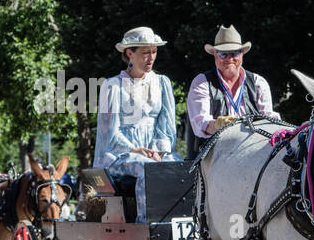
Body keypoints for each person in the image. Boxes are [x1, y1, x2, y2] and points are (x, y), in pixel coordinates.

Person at [94, 27, 183, 222]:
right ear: (129, 53)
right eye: (145, 53)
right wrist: (136, 149)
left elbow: (165, 126)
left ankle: (180, 221)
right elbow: (111, 134)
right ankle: (147, 224)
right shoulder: (113, 86)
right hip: (120, 155)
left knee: (178, 167)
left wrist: (160, 150)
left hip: (153, 152)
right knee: (147, 169)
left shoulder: (162, 83)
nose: (151, 57)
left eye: (154, 51)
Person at [185, 24, 279, 155]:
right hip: (215, 154)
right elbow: (200, 124)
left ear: (242, 54)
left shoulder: (258, 82)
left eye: (235, 53)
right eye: (223, 54)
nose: (230, 59)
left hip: (253, 151)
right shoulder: (202, 82)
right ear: (214, 55)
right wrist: (218, 125)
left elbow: (269, 120)